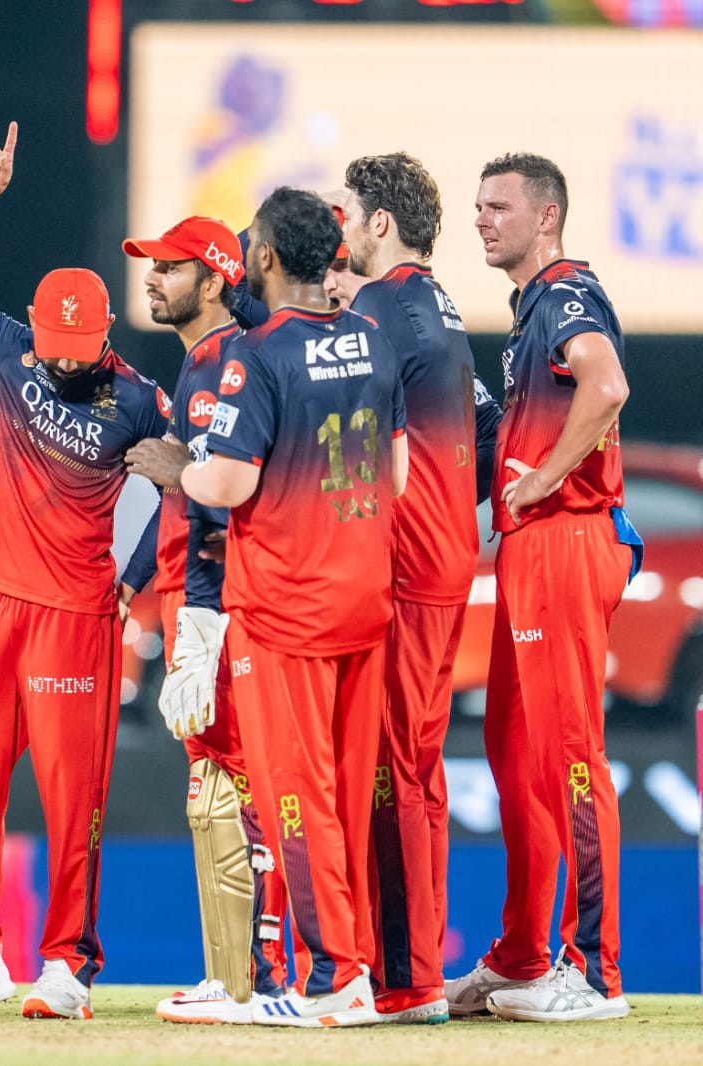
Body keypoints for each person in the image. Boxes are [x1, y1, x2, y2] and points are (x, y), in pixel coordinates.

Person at [0, 123, 169, 1022]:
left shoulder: (139, 399)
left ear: (106, 333)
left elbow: (188, 489)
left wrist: (136, 574)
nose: (60, 356)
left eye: (76, 345)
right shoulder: (2, 347)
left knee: (70, 798)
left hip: (75, 618)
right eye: (51, 340)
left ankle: (67, 964)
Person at [166, 187, 409, 1027]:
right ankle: (355, 969)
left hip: (285, 611)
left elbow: (228, 483)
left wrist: (178, 468)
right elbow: (398, 476)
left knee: (294, 800)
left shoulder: (257, 354)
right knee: (341, 795)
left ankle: (332, 981)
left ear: (265, 256)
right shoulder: (373, 339)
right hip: (364, 601)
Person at [444, 154, 635, 1023]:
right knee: (516, 754)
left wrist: (547, 477)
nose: (481, 219)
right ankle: (523, 955)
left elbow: (608, 385)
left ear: (547, 216)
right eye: (478, 206)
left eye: (498, 206)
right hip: (532, 548)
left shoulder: (563, 295)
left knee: (568, 757)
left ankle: (593, 973)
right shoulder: (533, 308)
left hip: (563, 541)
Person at [115, 216, 290, 1024]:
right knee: (217, 786)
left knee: (238, 785)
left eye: (171, 267)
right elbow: (192, 499)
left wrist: (203, 621)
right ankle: (239, 977)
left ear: (216, 281)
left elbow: (228, 497)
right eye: (151, 266)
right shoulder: (203, 362)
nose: (152, 279)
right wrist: (136, 579)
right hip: (200, 598)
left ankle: (263, 977)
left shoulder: (225, 363)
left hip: (220, 605)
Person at [336, 152, 493, 1025]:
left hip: (403, 568)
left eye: (347, 214)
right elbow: (487, 429)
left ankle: (403, 981)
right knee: (417, 768)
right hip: (440, 561)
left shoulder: (377, 309)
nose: (340, 232)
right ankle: (415, 965)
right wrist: (446, 505)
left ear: (381, 223)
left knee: (390, 767)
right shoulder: (435, 306)